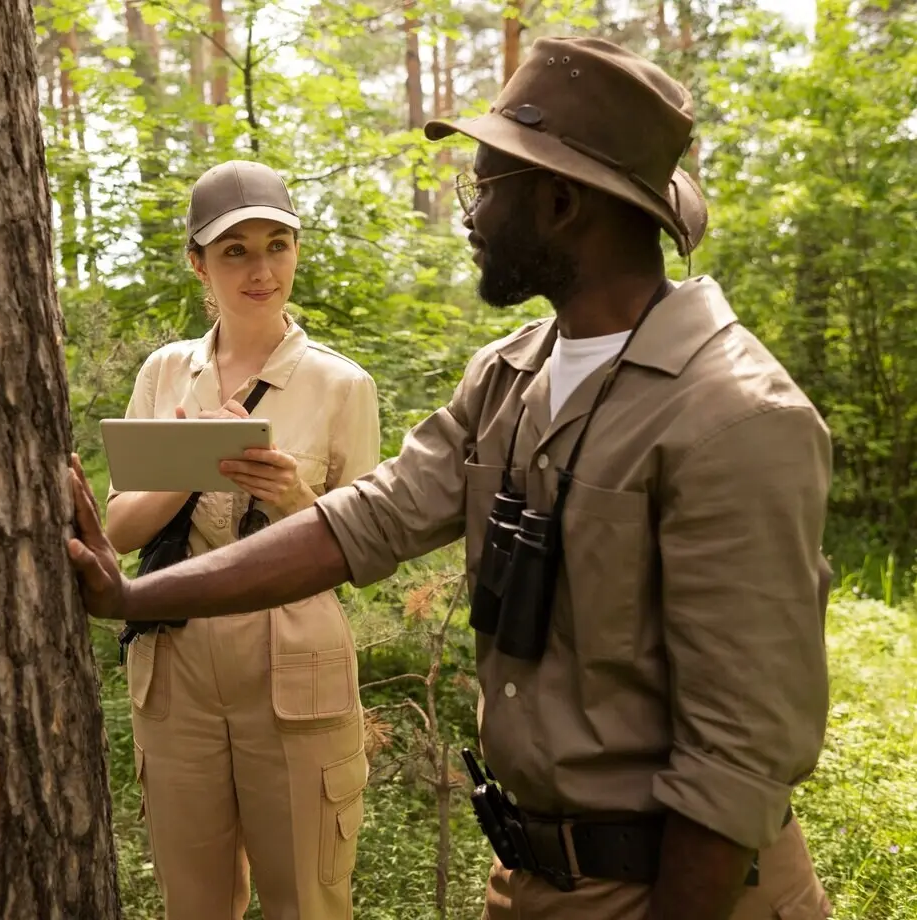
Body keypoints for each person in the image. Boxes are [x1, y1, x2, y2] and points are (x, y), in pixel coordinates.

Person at [70, 38, 835, 920]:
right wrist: (133, 599)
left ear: (558, 203)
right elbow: (367, 519)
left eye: (484, 188)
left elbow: (737, 758)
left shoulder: (735, 418)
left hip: (687, 894)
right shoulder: (509, 377)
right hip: (537, 881)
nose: (466, 215)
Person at [103, 158, 382, 920]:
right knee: (193, 904)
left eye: (277, 246)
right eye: (235, 251)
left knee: (308, 901)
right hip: (177, 664)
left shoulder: (341, 385)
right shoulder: (166, 375)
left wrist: (294, 497)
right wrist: (191, 465)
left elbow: (367, 552)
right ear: (198, 263)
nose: (261, 270)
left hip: (294, 661)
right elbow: (117, 531)